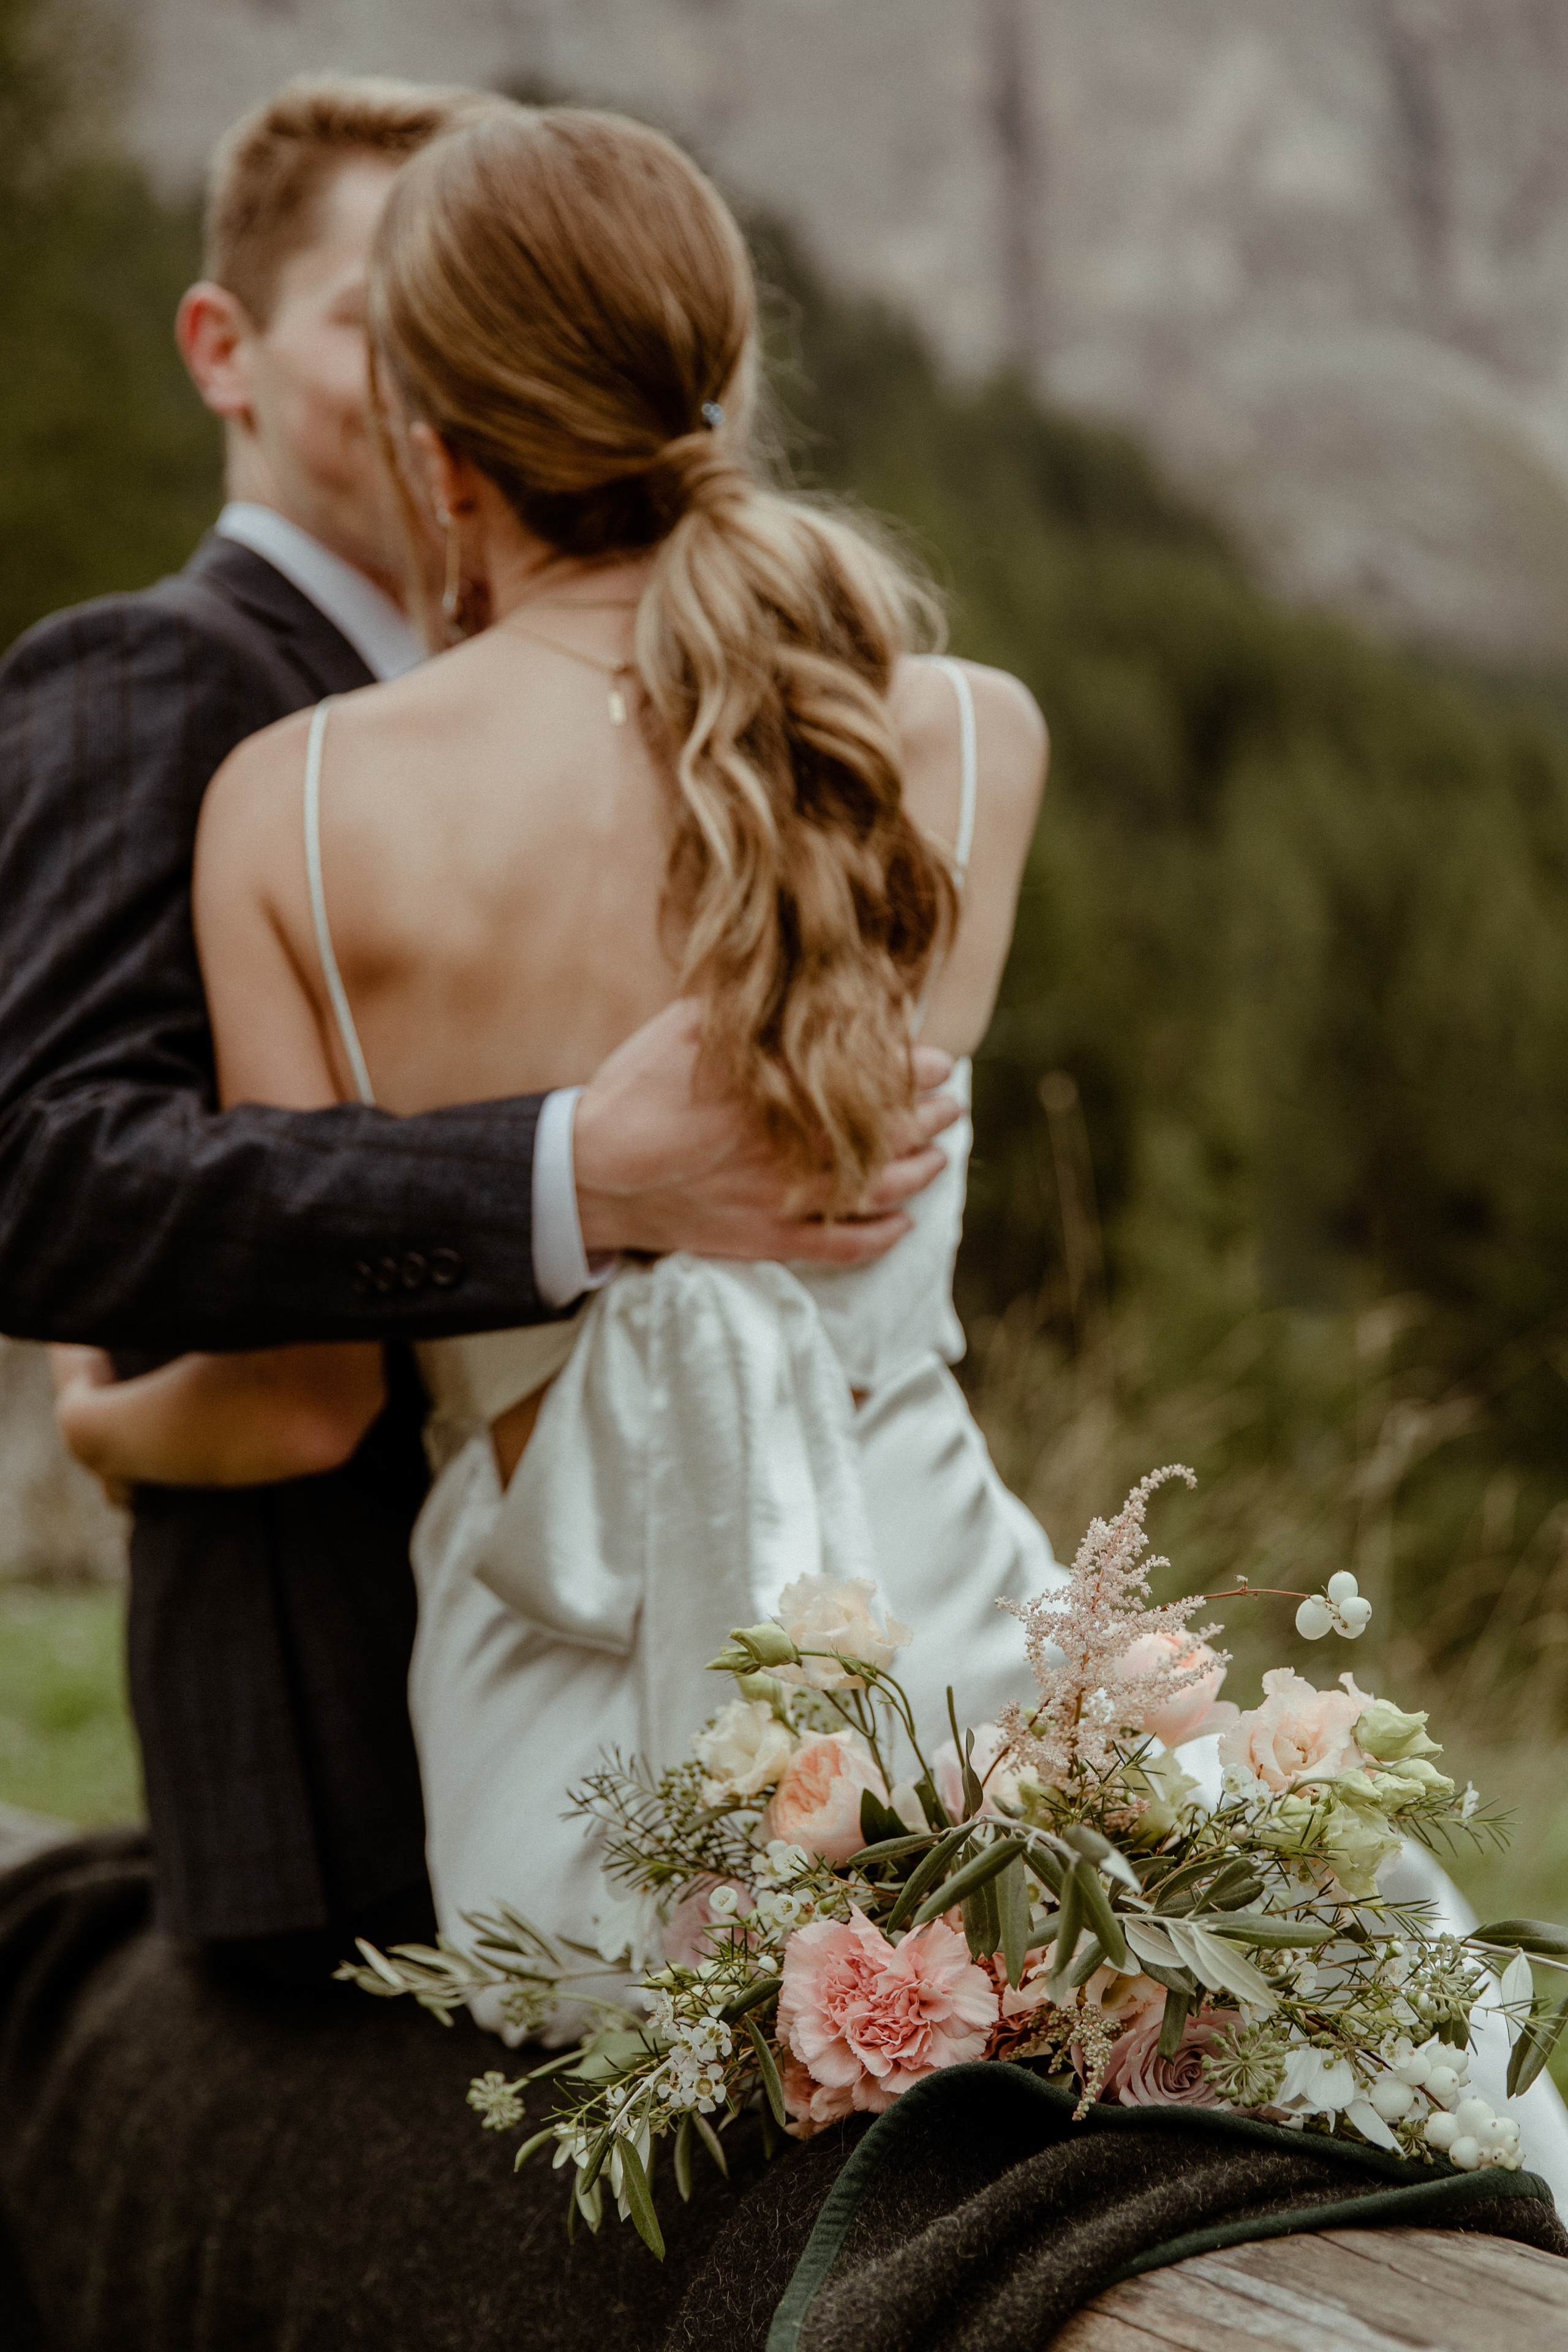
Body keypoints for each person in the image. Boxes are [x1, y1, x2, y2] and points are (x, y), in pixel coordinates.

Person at [50, 100, 1054, 2028]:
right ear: (724, 382)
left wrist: (99, 1425)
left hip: (572, 1753)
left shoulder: (303, 808)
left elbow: (289, 1412)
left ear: (437, 454)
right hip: (970, 1674)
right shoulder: (967, 741)